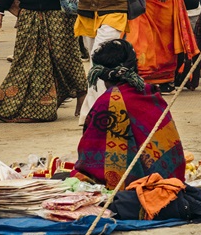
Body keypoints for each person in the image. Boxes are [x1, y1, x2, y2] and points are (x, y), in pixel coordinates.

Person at [74, 39, 186, 190]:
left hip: (135, 187)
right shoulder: (150, 93)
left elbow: (89, 156)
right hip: (172, 179)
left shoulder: (107, 103)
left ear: (100, 75)